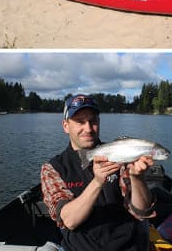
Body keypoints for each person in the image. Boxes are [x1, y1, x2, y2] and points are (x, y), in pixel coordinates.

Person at [41, 95, 155, 251]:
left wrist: (137, 177)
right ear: (66, 126)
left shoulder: (120, 154)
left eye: (93, 121)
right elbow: (69, 220)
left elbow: (141, 212)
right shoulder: (53, 168)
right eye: (80, 121)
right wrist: (97, 181)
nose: (88, 128)